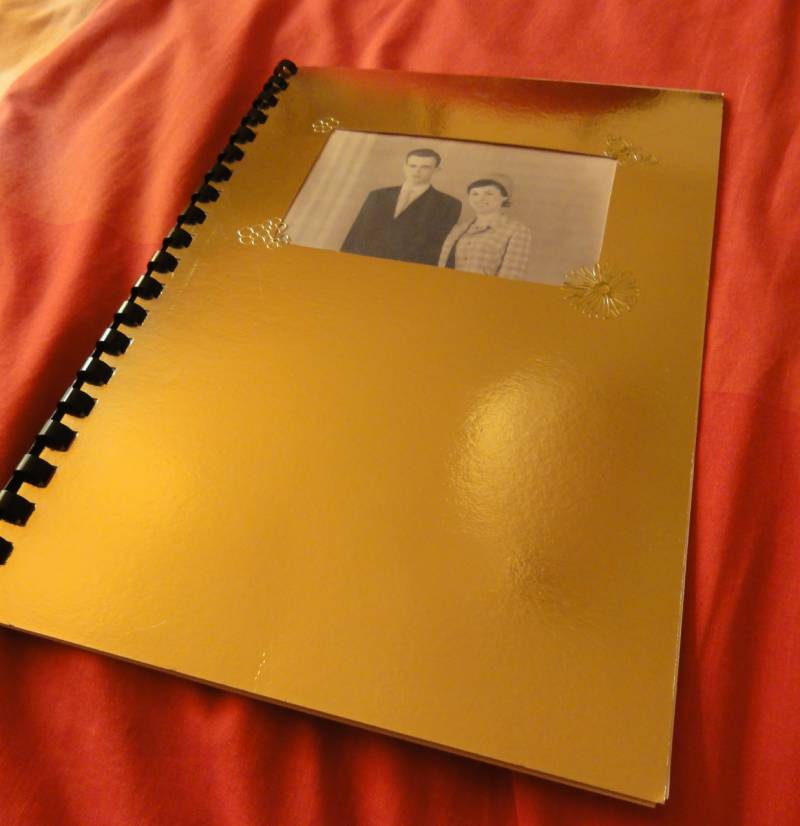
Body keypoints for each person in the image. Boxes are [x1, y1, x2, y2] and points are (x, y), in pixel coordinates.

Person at [341, 148, 462, 266]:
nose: (417, 171)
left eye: (425, 167)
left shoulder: (449, 204)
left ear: (436, 170)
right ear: (405, 167)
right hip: (364, 263)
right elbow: (356, 233)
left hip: (407, 268)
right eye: (412, 166)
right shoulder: (377, 195)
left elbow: (436, 245)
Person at [438, 176, 531, 280]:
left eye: (489, 194)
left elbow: (511, 276)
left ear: (504, 197)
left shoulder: (517, 230)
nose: (480, 199)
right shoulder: (458, 228)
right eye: (475, 194)